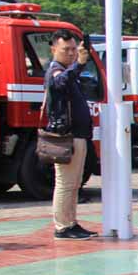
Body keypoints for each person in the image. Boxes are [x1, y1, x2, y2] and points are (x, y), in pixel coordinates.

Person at [46, 30, 96, 240]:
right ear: (53, 49)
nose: (71, 53)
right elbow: (60, 83)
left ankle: (70, 222)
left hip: (77, 134)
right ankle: (63, 226)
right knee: (66, 183)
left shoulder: (68, 71)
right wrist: (80, 64)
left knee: (74, 184)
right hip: (67, 135)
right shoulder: (56, 71)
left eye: (74, 49)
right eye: (66, 49)